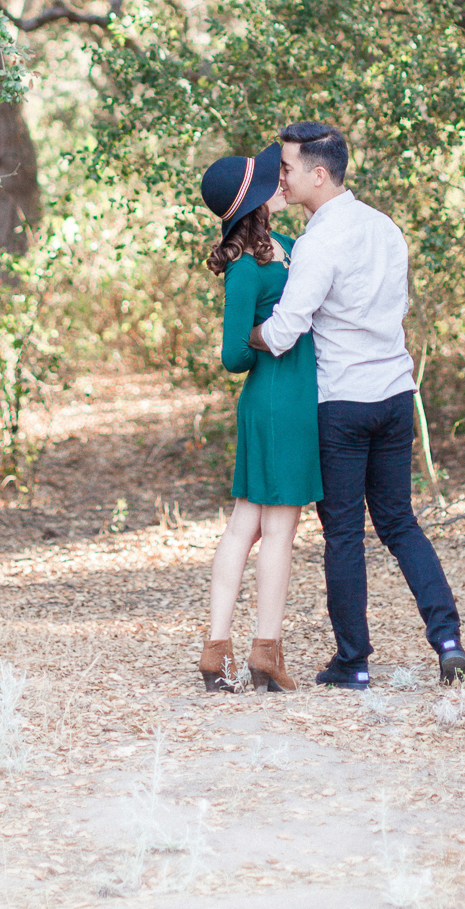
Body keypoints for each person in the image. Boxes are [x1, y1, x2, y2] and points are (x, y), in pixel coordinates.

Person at [249, 120, 465, 689]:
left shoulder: (321, 243)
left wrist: (248, 335)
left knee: (344, 534)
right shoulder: (384, 228)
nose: (283, 178)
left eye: (289, 169)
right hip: (395, 394)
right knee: (400, 523)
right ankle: (447, 640)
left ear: (319, 174)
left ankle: (353, 661)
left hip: (341, 404)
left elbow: (286, 330)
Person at [196, 142, 322, 696]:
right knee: (276, 529)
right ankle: (261, 651)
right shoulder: (247, 265)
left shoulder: (287, 248)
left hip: (285, 397)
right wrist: (262, 339)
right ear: (255, 200)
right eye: (269, 179)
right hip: (278, 399)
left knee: (247, 521)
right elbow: (231, 356)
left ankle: (217, 650)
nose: (280, 180)